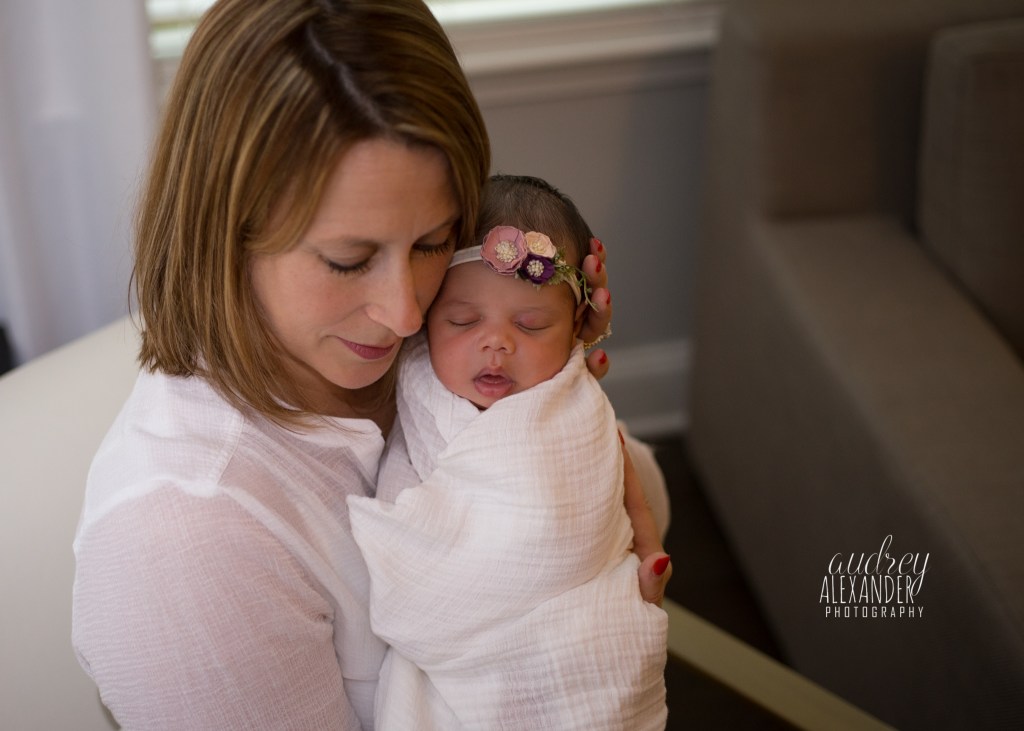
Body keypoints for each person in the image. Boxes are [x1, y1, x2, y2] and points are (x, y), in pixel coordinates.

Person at [71, 1, 671, 728]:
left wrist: (558, 398)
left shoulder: (444, 337)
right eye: (349, 260)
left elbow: (647, 501)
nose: (406, 313)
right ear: (225, 232)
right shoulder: (184, 551)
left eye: (431, 243)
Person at [348, 174, 668, 730]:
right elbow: (407, 524)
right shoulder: (418, 393)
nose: (496, 342)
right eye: (463, 320)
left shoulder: (572, 410)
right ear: (424, 323)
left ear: (576, 331)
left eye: (531, 323)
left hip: (575, 634)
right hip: (456, 644)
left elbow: (579, 522)